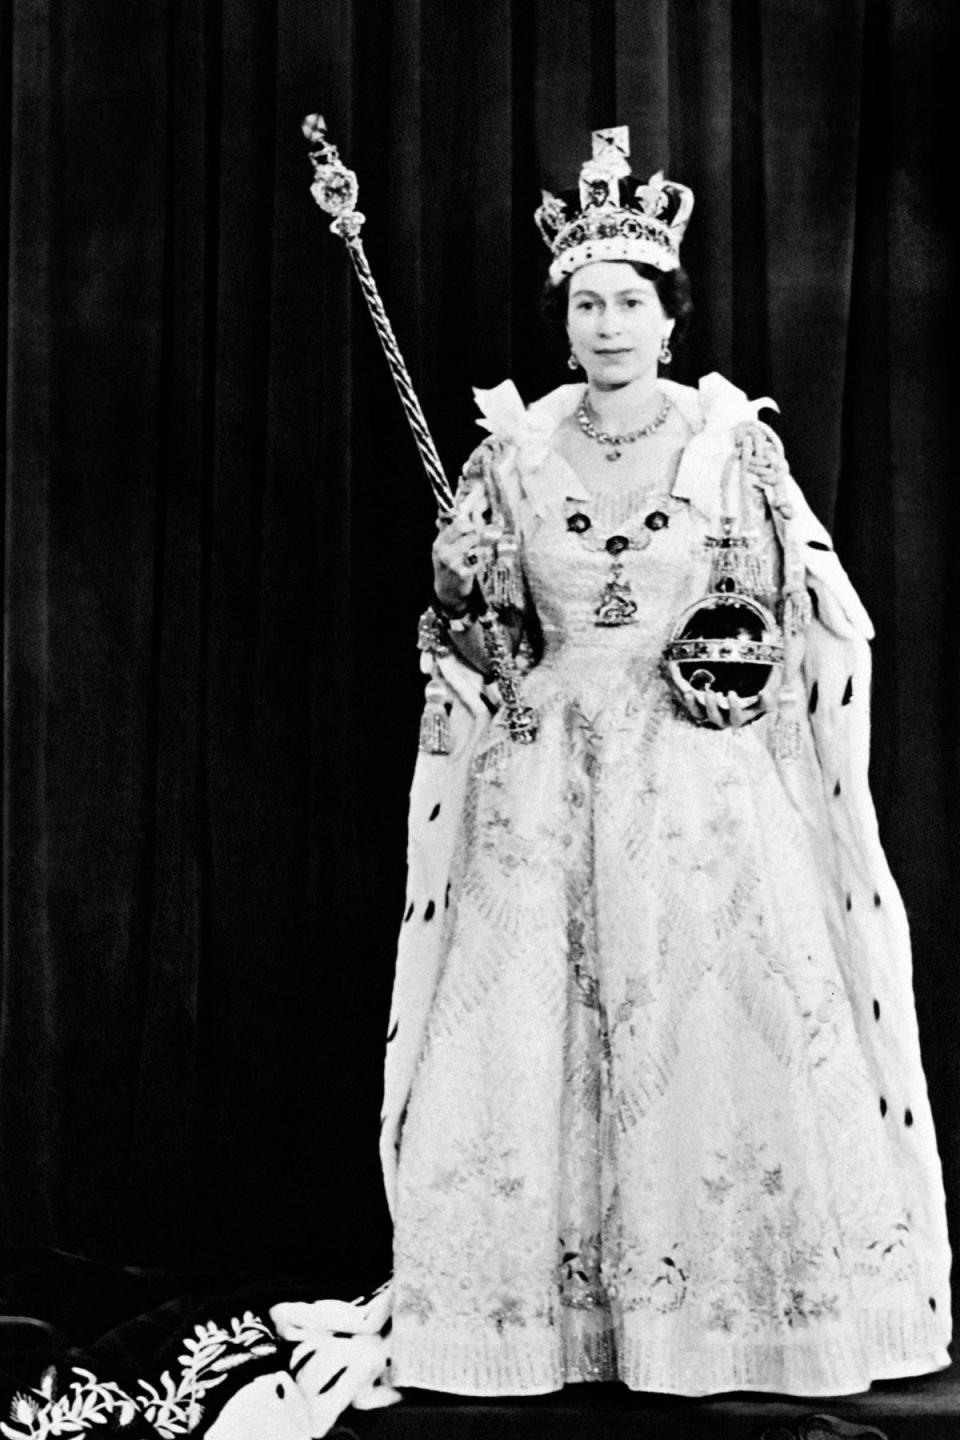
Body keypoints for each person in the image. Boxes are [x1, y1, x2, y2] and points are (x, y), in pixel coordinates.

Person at [378, 131, 952, 1399]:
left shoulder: (732, 443)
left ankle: (732, 1317)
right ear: (564, 318)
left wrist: (741, 676)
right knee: (537, 1031)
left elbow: (792, 606)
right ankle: (544, 1319)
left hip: (700, 773)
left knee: (711, 1017)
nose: (608, 321)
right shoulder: (508, 454)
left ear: (668, 315)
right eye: (587, 303)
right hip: (544, 775)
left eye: (631, 301)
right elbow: (486, 635)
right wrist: (463, 596)